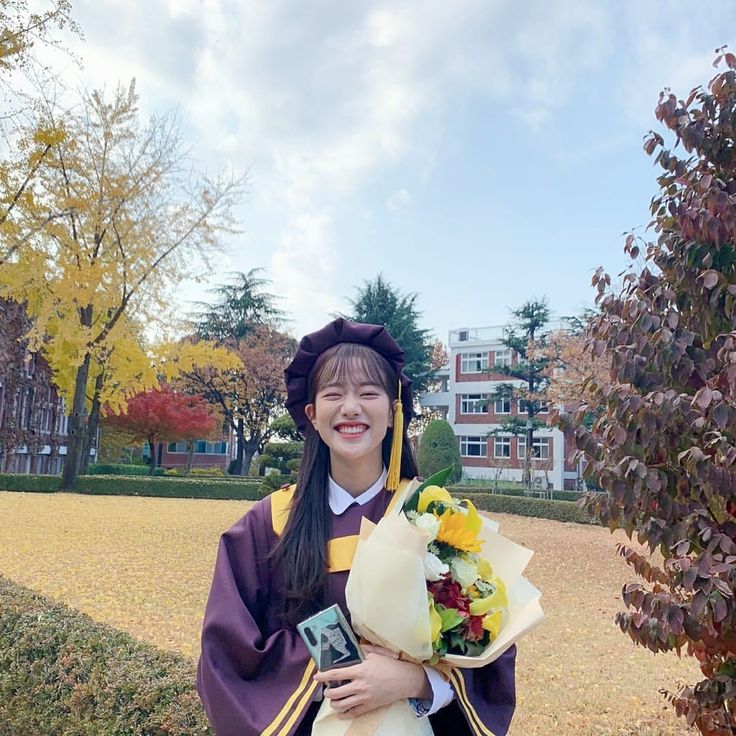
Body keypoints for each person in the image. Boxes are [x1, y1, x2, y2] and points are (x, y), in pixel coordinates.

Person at [196, 318, 516, 736]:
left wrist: (416, 681)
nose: (350, 407)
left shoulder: (434, 516)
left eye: (368, 393)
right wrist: (345, 671)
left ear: (393, 410)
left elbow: (488, 645)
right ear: (311, 414)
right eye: (333, 394)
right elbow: (226, 650)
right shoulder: (270, 522)